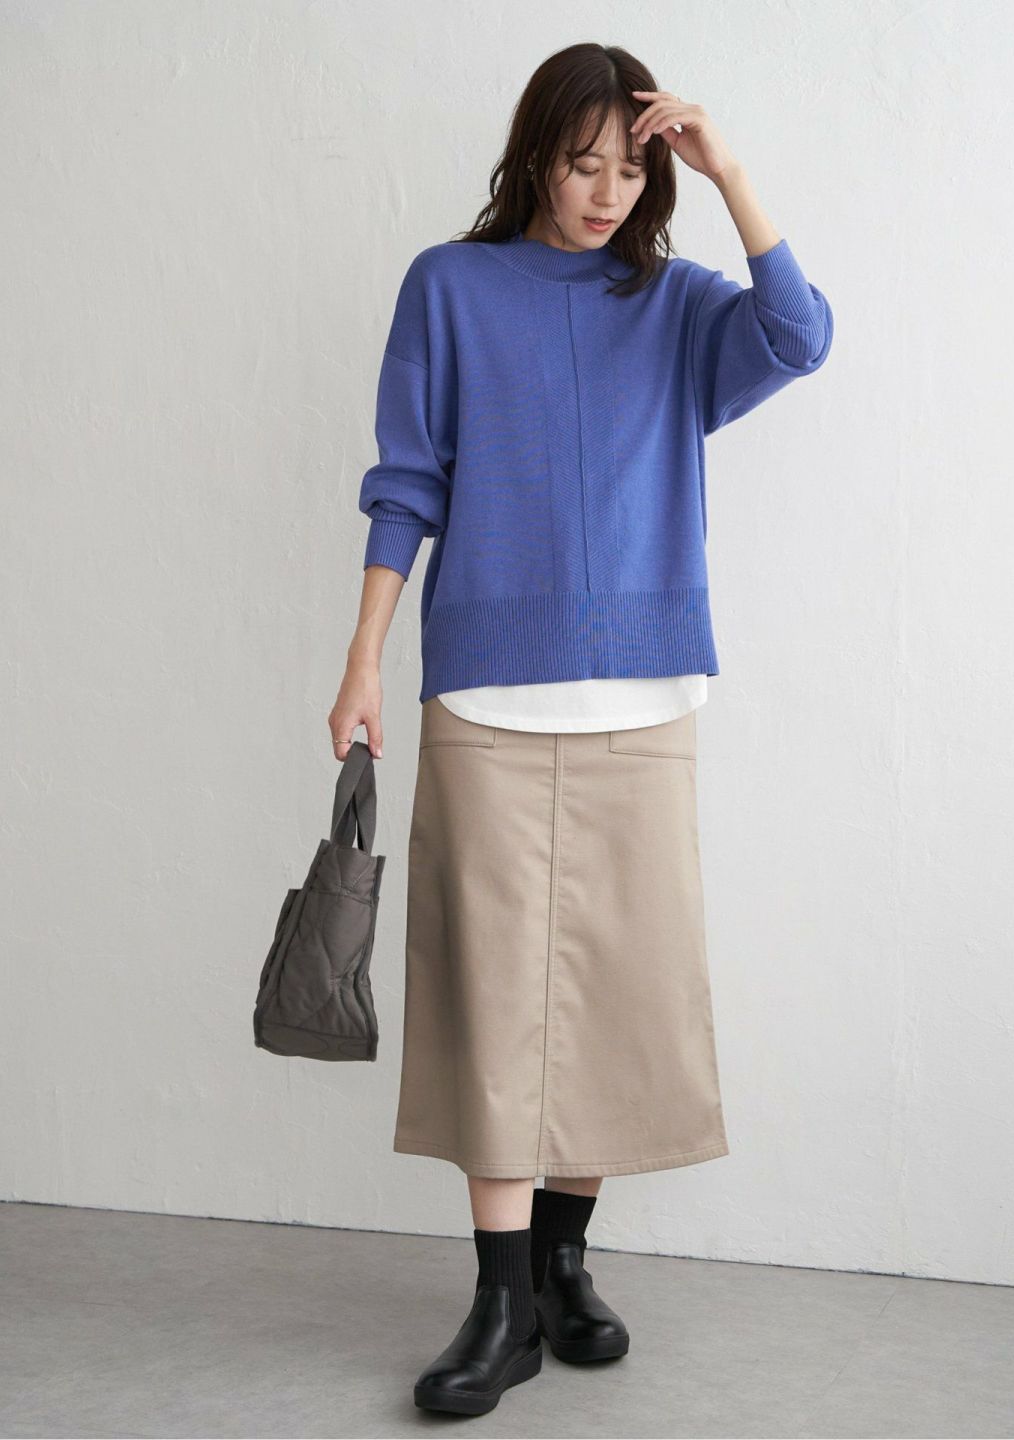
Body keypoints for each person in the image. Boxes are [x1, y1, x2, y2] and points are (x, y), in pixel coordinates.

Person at [327, 41, 833, 1418]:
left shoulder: (675, 305)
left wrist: (728, 171)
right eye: (580, 161)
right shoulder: (450, 286)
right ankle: (499, 1303)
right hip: (487, 694)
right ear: (534, 157)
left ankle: (564, 1265)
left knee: (615, 994)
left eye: (628, 167)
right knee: (494, 996)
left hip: (644, 698)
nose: (605, 191)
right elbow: (405, 481)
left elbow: (801, 335)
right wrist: (364, 658)